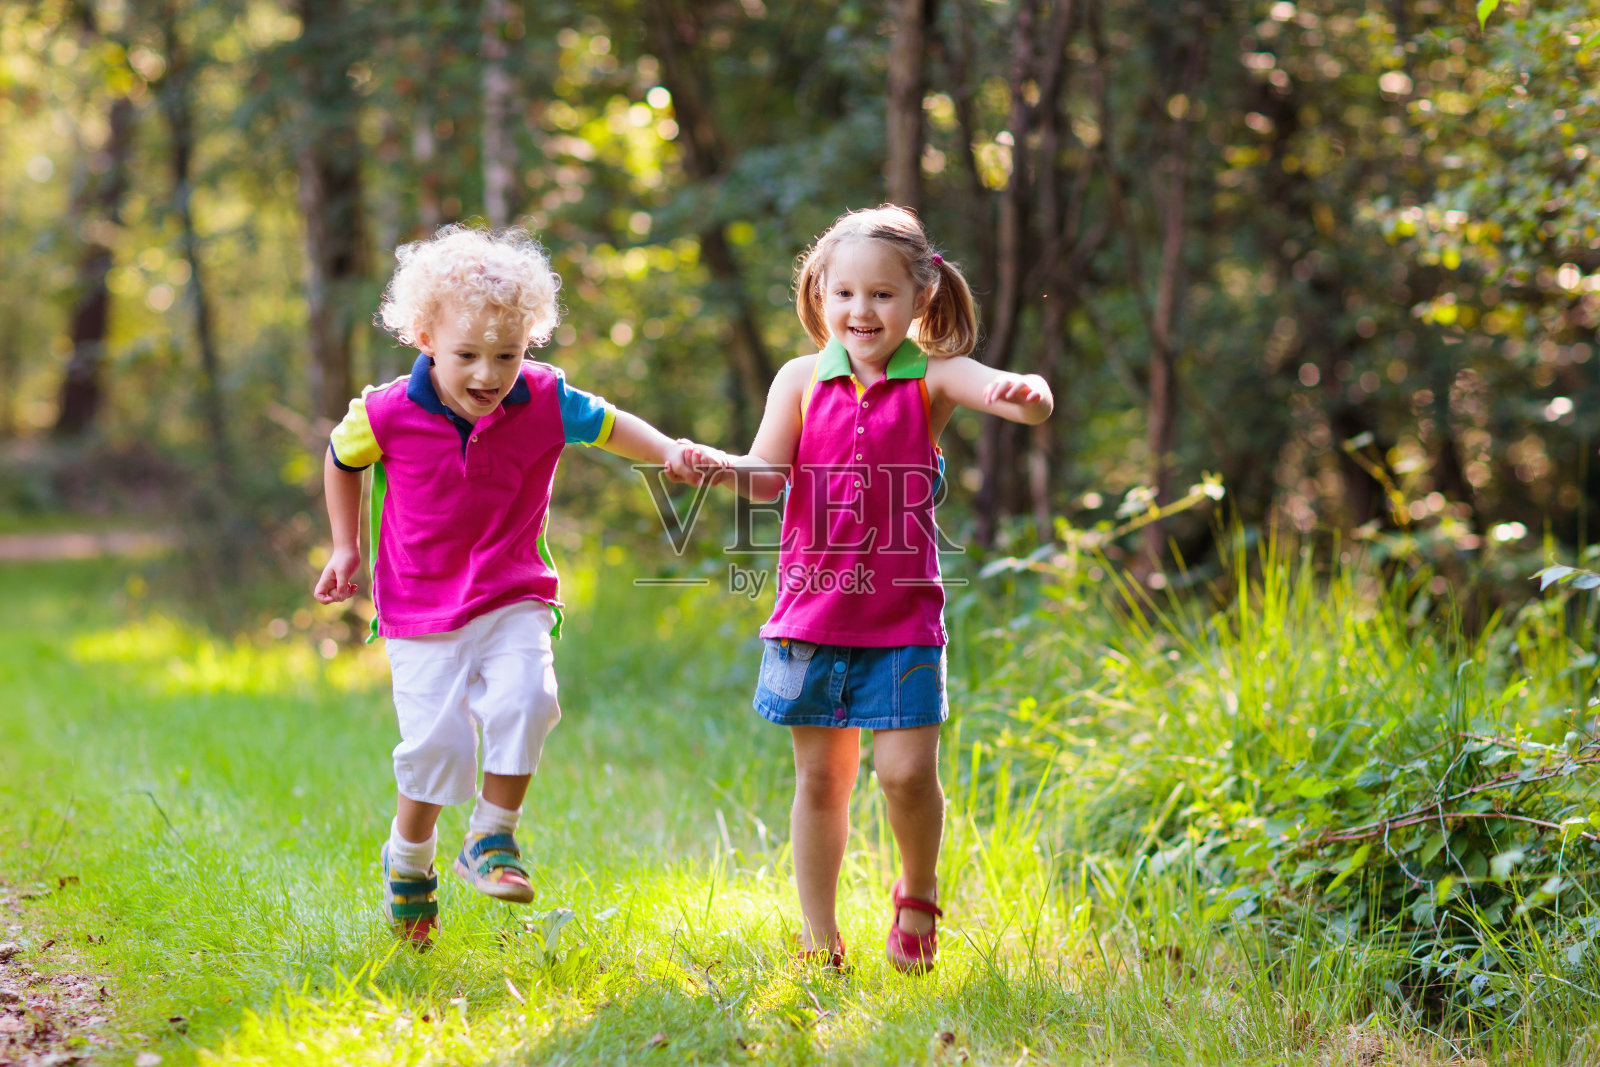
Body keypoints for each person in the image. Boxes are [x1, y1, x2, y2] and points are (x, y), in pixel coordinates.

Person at [312, 223, 708, 947]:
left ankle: (492, 836)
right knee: (438, 747)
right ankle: (409, 857)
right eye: (467, 355)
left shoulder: (544, 399)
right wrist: (346, 546)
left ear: (531, 341)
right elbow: (342, 459)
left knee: (531, 697)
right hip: (419, 605)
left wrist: (671, 453)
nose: (488, 375)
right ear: (425, 337)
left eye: (508, 353)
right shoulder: (388, 411)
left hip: (512, 589)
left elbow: (613, 425)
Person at [706, 205, 1053, 973]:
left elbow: (999, 387)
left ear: (920, 298)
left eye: (883, 296)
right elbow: (766, 480)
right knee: (821, 778)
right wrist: (719, 465)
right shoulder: (798, 378)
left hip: (901, 620)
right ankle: (819, 934)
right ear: (820, 296)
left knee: (903, 773)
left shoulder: (931, 377)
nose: (862, 311)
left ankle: (919, 890)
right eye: (846, 294)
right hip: (811, 617)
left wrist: (1024, 391)